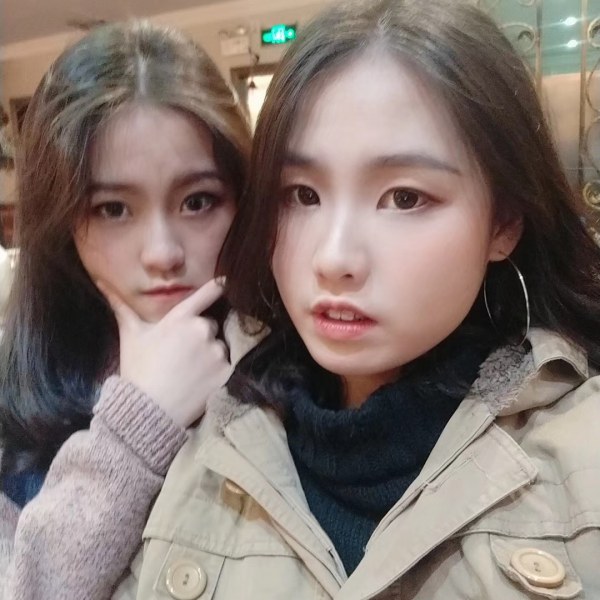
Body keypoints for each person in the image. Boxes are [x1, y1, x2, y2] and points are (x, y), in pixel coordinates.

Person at [107, 0, 600, 598]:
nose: (333, 258)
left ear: (504, 222)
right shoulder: (204, 436)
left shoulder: (582, 458)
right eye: (302, 195)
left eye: (404, 198)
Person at [0, 20, 250, 598]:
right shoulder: (15, 405)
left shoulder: (302, 374)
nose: (162, 253)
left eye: (198, 201)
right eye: (113, 209)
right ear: (62, 222)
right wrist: (136, 430)